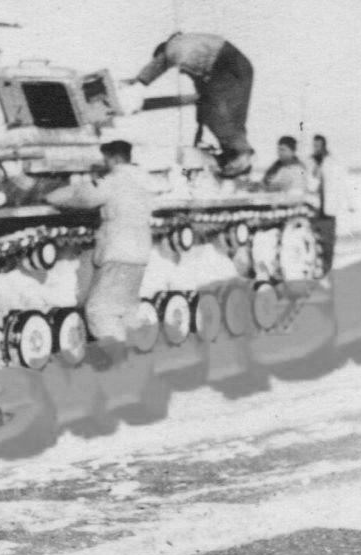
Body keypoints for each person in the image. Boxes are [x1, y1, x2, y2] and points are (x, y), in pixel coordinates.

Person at [44, 140, 158, 353]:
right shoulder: (145, 179)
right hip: (141, 253)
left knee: (98, 311)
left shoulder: (113, 179)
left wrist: (51, 197)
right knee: (126, 310)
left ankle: (122, 359)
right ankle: (139, 355)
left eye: (106, 160)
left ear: (114, 158)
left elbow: (84, 197)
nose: (105, 164)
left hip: (118, 252)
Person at [129, 32, 254, 178]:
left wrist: (139, 83)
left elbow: (157, 66)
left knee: (221, 118)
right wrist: (200, 126)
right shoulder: (193, 52)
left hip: (224, 65)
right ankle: (235, 153)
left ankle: (240, 157)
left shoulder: (173, 50)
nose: (180, 71)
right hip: (235, 65)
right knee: (227, 117)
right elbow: (204, 97)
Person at [309, 134, 354, 273]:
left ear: (324, 146)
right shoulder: (310, 162)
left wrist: (350, 203)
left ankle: (327, 271)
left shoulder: (333, 163)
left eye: (318, 145)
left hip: (329, 209)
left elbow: (343, 184)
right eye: (314, 145)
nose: (316, 148)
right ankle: (315, 273)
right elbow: (309, 184)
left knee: (328, 244)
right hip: (313, 210)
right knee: (313, 245)